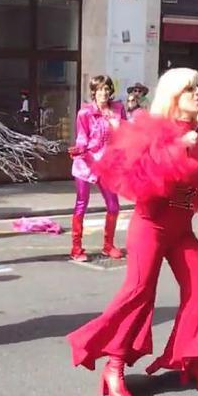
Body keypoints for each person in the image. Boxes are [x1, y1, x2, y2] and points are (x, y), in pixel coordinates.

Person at [67, 68, 198, 396]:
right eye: (189, 89)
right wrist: (176, 148)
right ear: (173, 96)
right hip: (150, 224)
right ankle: (114, 367)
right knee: (139, 293)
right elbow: (137, 176)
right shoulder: (154, 129)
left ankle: (193, 360)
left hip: (182, 228)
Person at [67, 75, 127, 262]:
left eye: (107, 89)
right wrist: (80, 149)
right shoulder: (84, 113)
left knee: (114, 206)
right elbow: (82, 136)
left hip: (107, 165)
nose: (104, 93)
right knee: (81, 204)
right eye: (100, 89)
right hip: (86, 163)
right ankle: (76, 248)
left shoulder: (118, 110)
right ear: (93, 92)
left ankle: (108, 246)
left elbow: (126, 133)